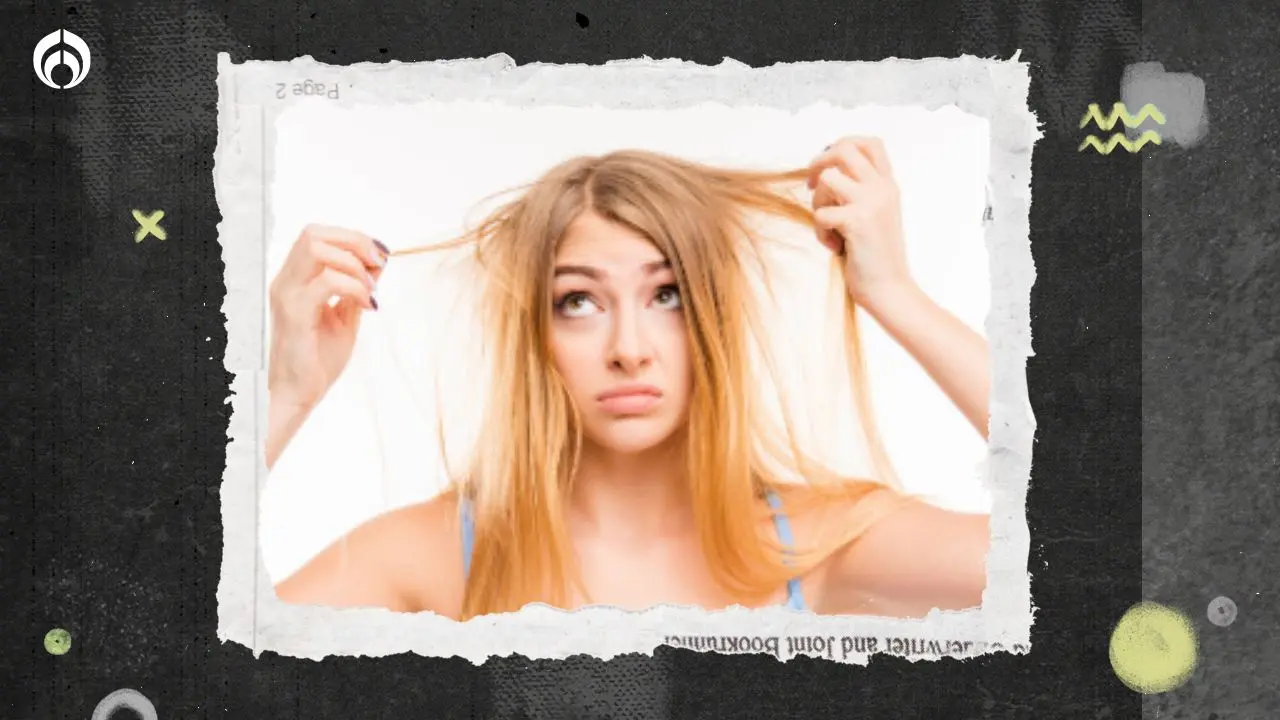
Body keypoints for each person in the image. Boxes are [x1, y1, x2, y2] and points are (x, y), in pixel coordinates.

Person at [266, 136, 991, 621]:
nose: (629, 349)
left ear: (715, 316)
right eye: (577, 302)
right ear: (535, 332)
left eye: (666, 295)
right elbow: (173, 669)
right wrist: (280, 400)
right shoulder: (431, 557)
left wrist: (896, 295)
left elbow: (1095, 549)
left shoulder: (816, 545)